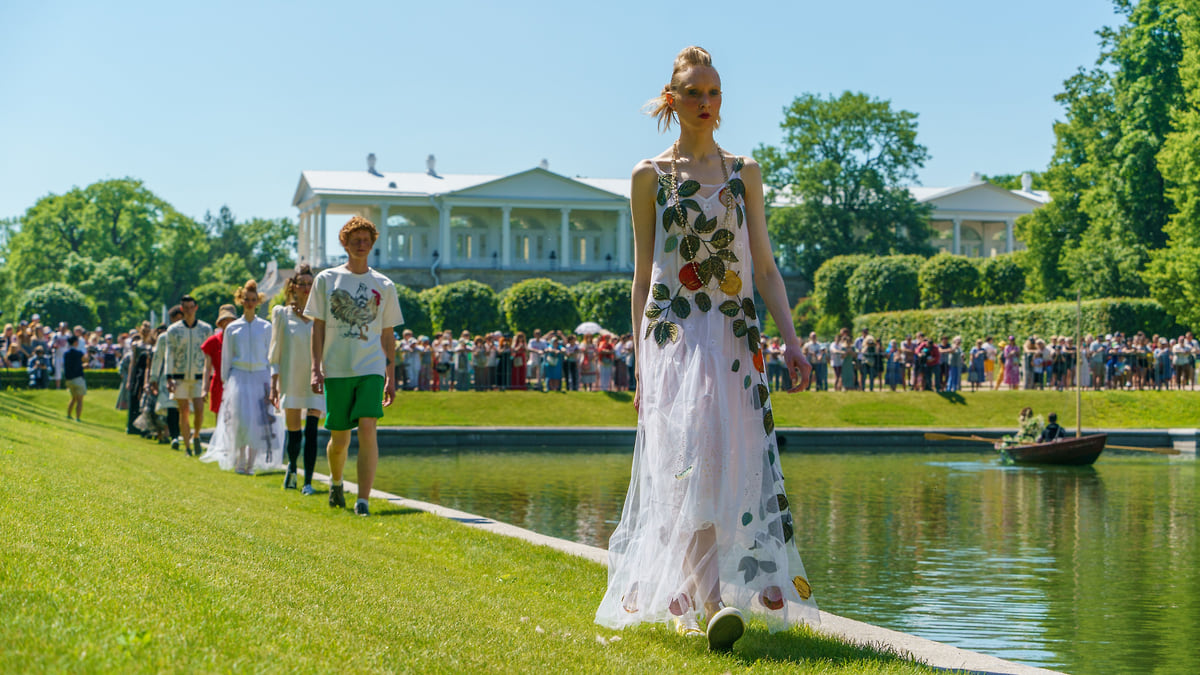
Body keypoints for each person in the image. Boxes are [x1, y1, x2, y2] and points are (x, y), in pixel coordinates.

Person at [596, 47, 818, 651]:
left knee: (724, 461)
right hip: (674, 334)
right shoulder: (649, 176)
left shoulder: (745, 172)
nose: (706, 102)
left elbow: (765, 268)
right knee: (688, 457)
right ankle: (711, 602)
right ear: (672, 100)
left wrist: (792, 343)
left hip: (734, 335)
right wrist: (641, 367)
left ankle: (690, 598)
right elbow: (643, 276)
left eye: (714, 92)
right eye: (694, 92)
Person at [305, 216, 403, 517]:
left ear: (372, 244)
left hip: (371, 367)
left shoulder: (384, 285)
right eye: (356, 240)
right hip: (337, 367)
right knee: (340, 439)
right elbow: (318, 327)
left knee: (368, 426)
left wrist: (390, 376)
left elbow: (388, 334)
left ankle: (363, 500)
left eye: (366, 240)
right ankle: (336, 482)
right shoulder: (326, 279)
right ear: (344, 243)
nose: (362, 245)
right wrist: (316, 367)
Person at [201, 281, 283, 475]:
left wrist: (274, 382)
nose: (250, 303)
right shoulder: (232, 328)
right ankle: (240, 458)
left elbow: (272, 356)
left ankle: (251, 463)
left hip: (261, 376)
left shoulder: (266, 327)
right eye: (246, 299)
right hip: (239, 377)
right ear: (241, 300)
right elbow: (227, 356)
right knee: (241, 419)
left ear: (258, 301)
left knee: (258, 420)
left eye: (253, 300)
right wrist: (225, 381)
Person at [270, 264, 326, 494]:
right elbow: (275, 351)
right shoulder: (282, 314)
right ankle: (292, 467)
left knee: (312, 430)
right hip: (291, 378)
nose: (306, 288)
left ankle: (309, 482)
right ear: (293, 286)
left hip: (315, 379)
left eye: (310, 284)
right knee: (294, 432)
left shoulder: (321, 316)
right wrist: (273, 383)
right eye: (301, 283)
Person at [164, 295, 215, 456]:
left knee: (199, 409)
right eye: (185, 308)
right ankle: (187, 447)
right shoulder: (174, 330)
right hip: (180, 375)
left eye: (191, 307)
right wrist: (169, 377)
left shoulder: (205, 329)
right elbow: (169, 354)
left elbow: (210, 354)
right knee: (184, 411)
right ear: (181, 309)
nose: (188, 311)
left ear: (195, 308)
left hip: (199, 375)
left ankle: (196, 435)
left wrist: (210, 376)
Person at [201, 305, 238, 416]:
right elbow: (207, 368)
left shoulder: (241, 340)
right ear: (220, 323)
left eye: (231, 320)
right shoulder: (212, 342)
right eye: (225, 320)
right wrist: (204, 388)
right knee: (220, 417)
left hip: (237, 381)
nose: (228, 323)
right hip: (218, 384)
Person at [63, 335, 87, 421]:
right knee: (80, 400)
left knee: (73, 398)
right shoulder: (79, 353)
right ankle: (78, 418)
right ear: (75, 342)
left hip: (69, 379)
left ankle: (69, 415)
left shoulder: (66, 354)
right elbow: (85, 360)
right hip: (78, 379)